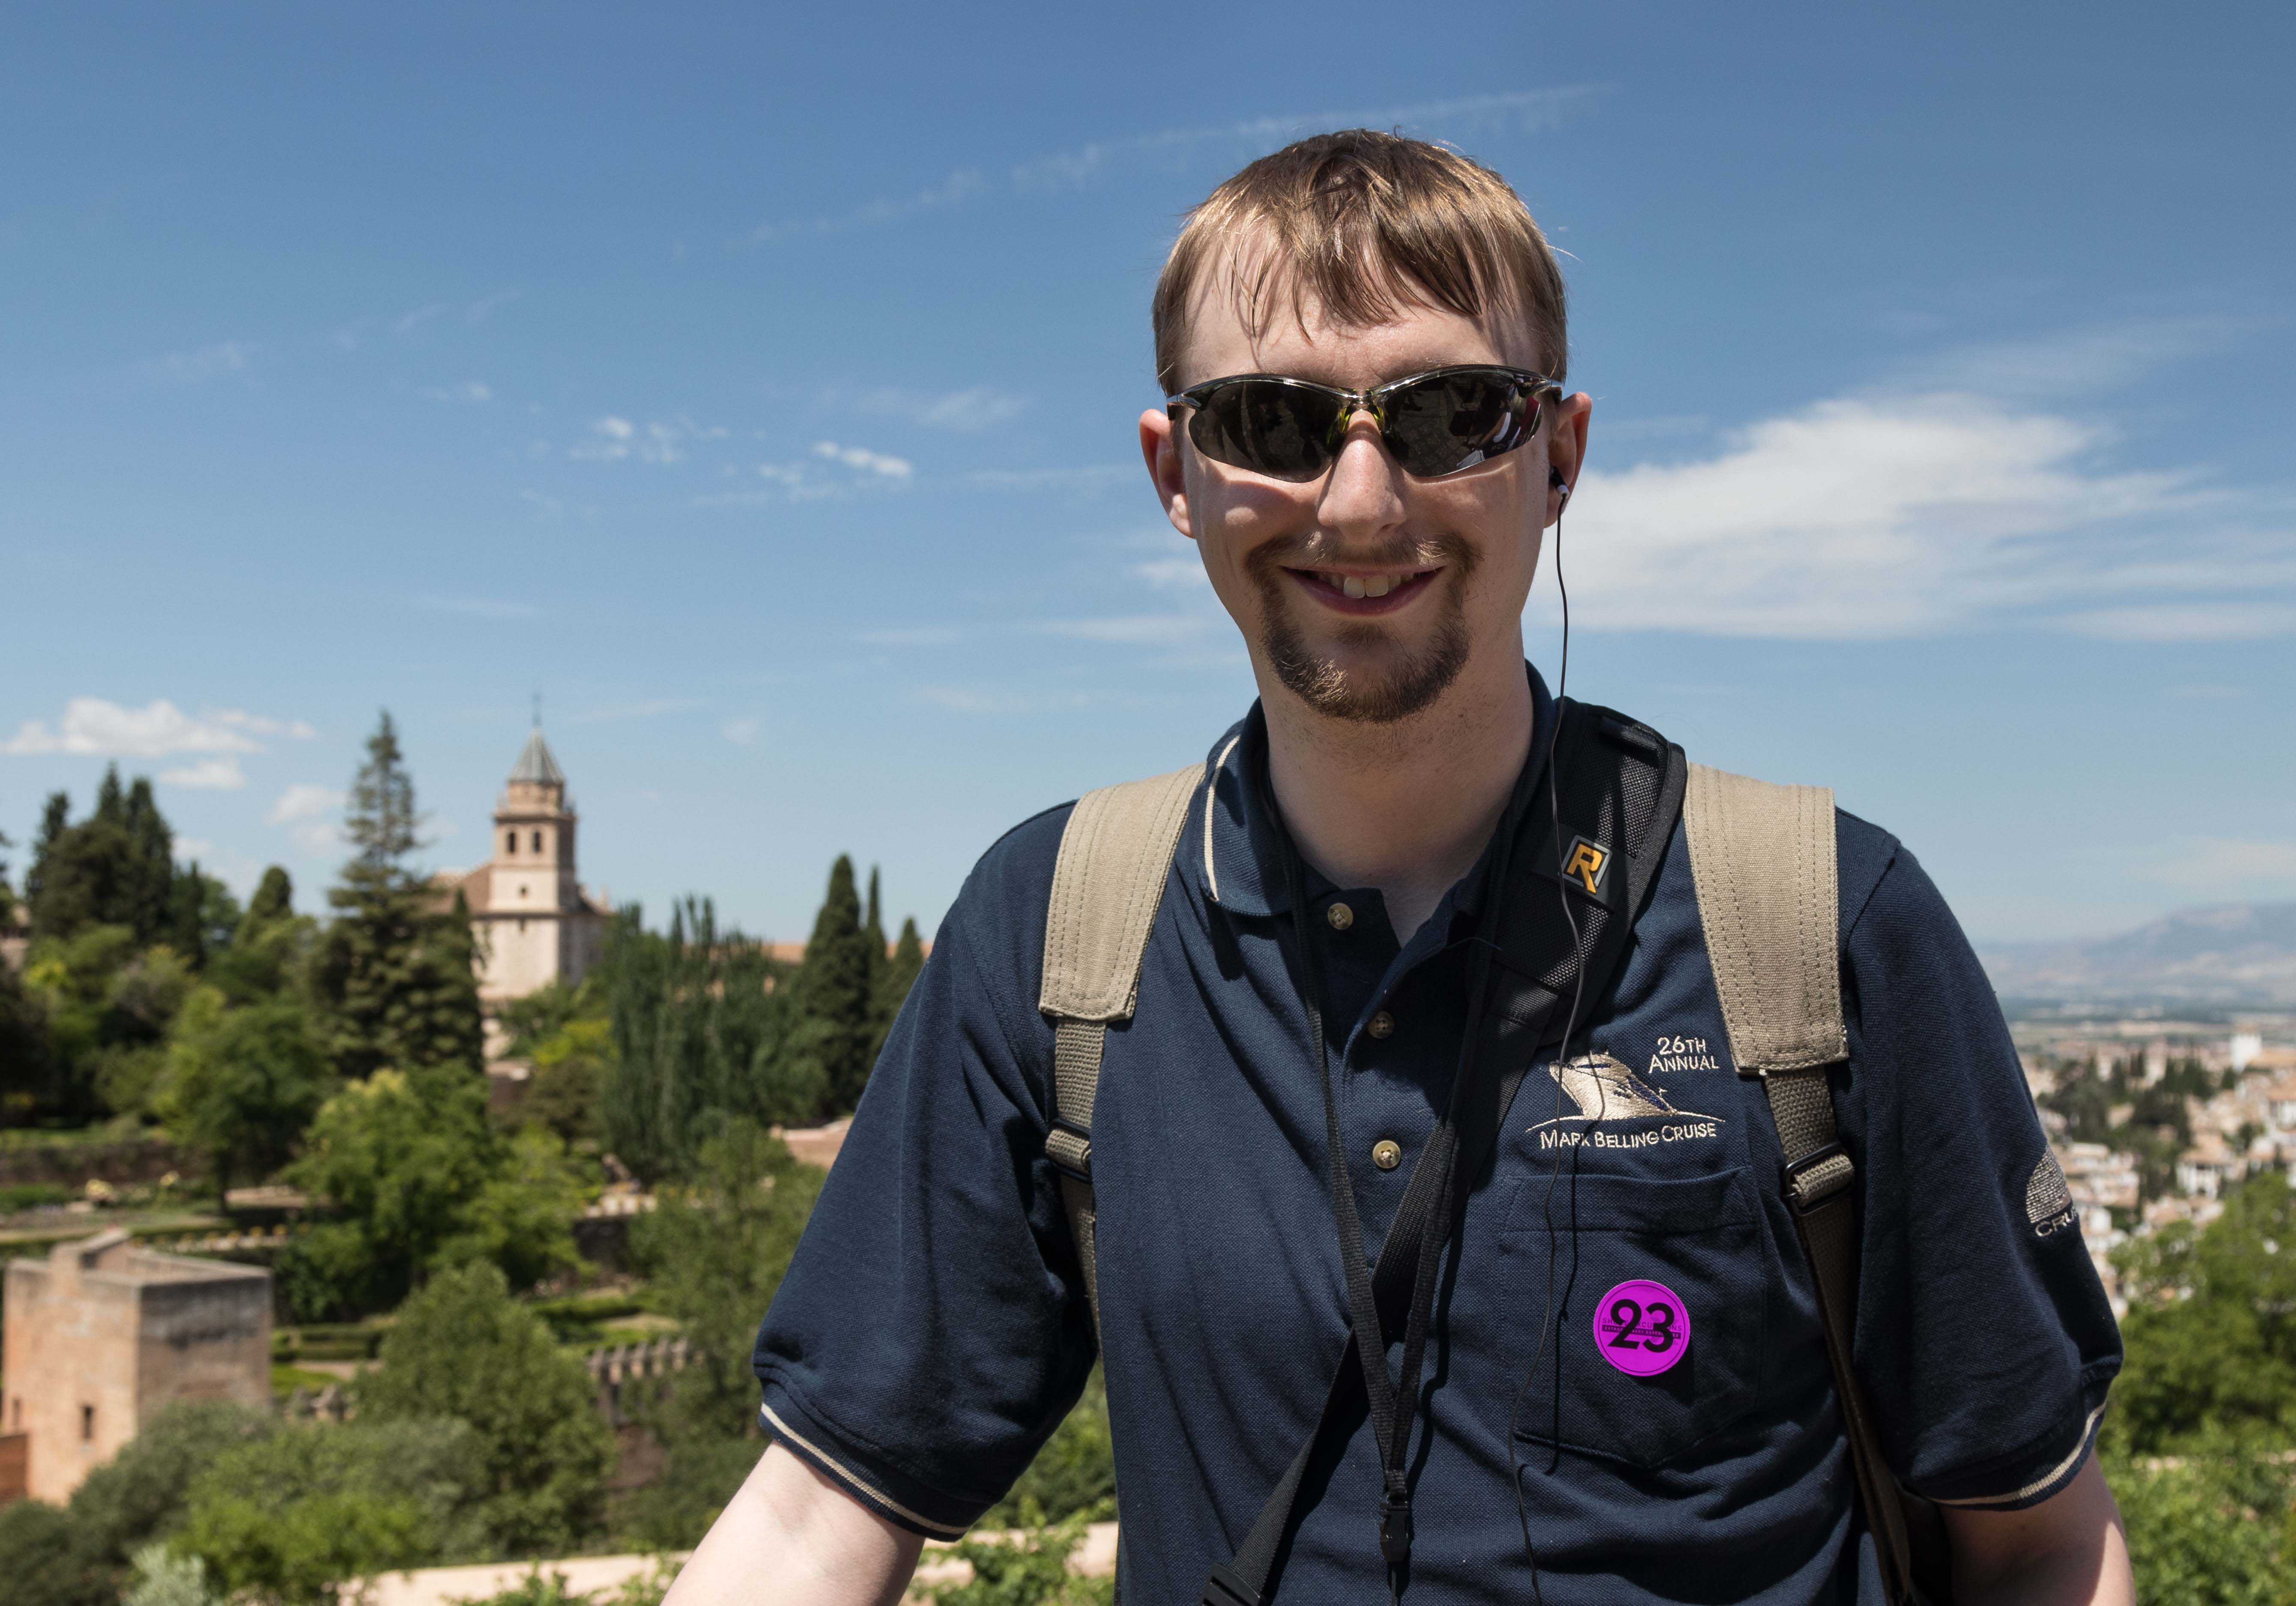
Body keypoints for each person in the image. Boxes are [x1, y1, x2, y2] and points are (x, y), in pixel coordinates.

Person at [667, 130, 2132, 1606]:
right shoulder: (1055, 933)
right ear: (1176, 475)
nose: (1359, 504)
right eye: (1271, 419)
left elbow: (2040, 1547)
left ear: (1555, 457)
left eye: (1449, 415)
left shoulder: (1814, 922)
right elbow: (816, 1516)